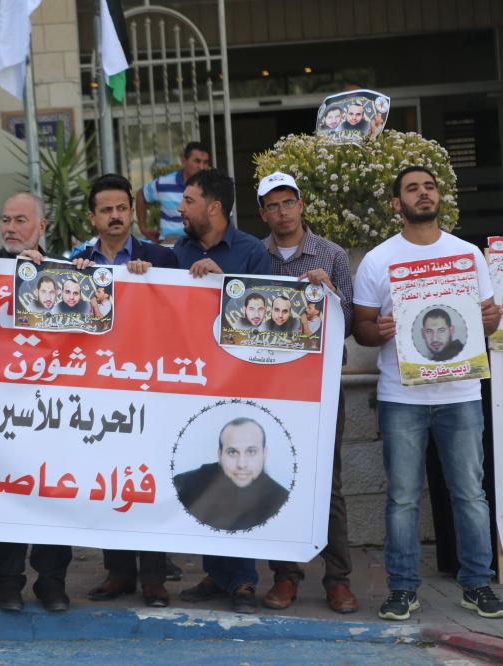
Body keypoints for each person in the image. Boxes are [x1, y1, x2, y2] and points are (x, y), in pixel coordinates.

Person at [353, 165, 503, 621]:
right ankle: (402, 589)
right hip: (402, 397)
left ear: (439, 197)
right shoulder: (378, 260)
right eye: (413, 188)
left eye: (430, 187)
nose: (423, 194)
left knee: (471, 494)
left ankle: (477, 583)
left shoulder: (467, 255)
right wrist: (378, 330)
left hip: (461, 392)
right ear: (397, 203)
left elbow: (486, 321)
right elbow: (361, 328)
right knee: (402, 497)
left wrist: (491, 319)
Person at [256, 171, 358, 613]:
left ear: (301, 205)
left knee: (327, 483)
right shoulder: (254, 255)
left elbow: (350, 323)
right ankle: (286, 575)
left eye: (288, 202)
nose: (282, 212)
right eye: (273, 205)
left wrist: (329, 296)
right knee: (278, 477)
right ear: (263, 213)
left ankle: (338, 580)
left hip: (320, 387)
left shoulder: (332, 255)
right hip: (270, 386)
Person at [73, 173, 177, 608]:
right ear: (92, 217)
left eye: (121, 208)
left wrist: (151, 281)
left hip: (152, 387)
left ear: (133, 212)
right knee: (107, 481)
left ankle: (154, 578)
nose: (115, 216)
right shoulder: (77, 262)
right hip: (99, 392)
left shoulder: (162, 258)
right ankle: (118, 573)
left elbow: (182, 314)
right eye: (106, 210)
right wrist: (73, 281)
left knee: (148, 480)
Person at [174, 169, 271, 614]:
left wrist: (222, 283)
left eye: (189, 201)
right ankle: (216, 572)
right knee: (211, 477)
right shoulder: (178, 251)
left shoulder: (251, 252)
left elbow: (264, 317)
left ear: (214, 208)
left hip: (240, 384)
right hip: (192, 383)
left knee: (239, 476)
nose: (181, 209)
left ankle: (244, 579)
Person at [0, 191, 73, 613]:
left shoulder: (69, 276)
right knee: (9, 493)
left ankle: (52, 583)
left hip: (55, 411)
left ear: (42, 227)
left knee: (55, 494)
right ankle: (7, 581)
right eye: (5, 220)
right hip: (2, 409)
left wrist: (57, 274)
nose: (11, 228)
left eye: (20, 220)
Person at [174, 418, 289, 531]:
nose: (242, 464)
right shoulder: (186, 485)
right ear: (220, 455)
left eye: (251, 451)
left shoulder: (282, 501)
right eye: (232, 452)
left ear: (264, 454)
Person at [136, 141, 211, 244]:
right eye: (197, 161)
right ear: (183, 160)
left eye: (205, 162)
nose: (201, 167)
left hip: (201, 244)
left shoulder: (213, 187)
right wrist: (143, 227)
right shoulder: (164, 183)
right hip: (170, 243)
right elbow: (141, 194)